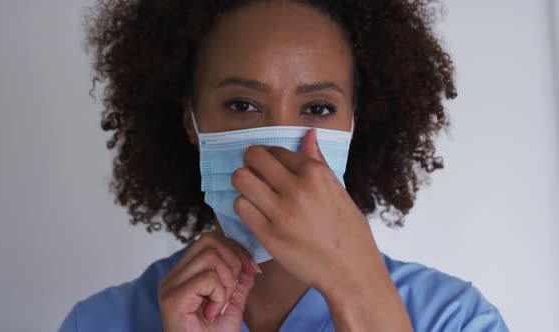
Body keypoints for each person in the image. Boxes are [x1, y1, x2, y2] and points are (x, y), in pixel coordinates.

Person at [60, 0, 510, 331]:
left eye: (317, 108)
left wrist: (361, 292)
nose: (278, 145)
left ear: (355, 122)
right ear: (191, 122)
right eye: (242, 104)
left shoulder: (456, 318)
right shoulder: (100, 322)